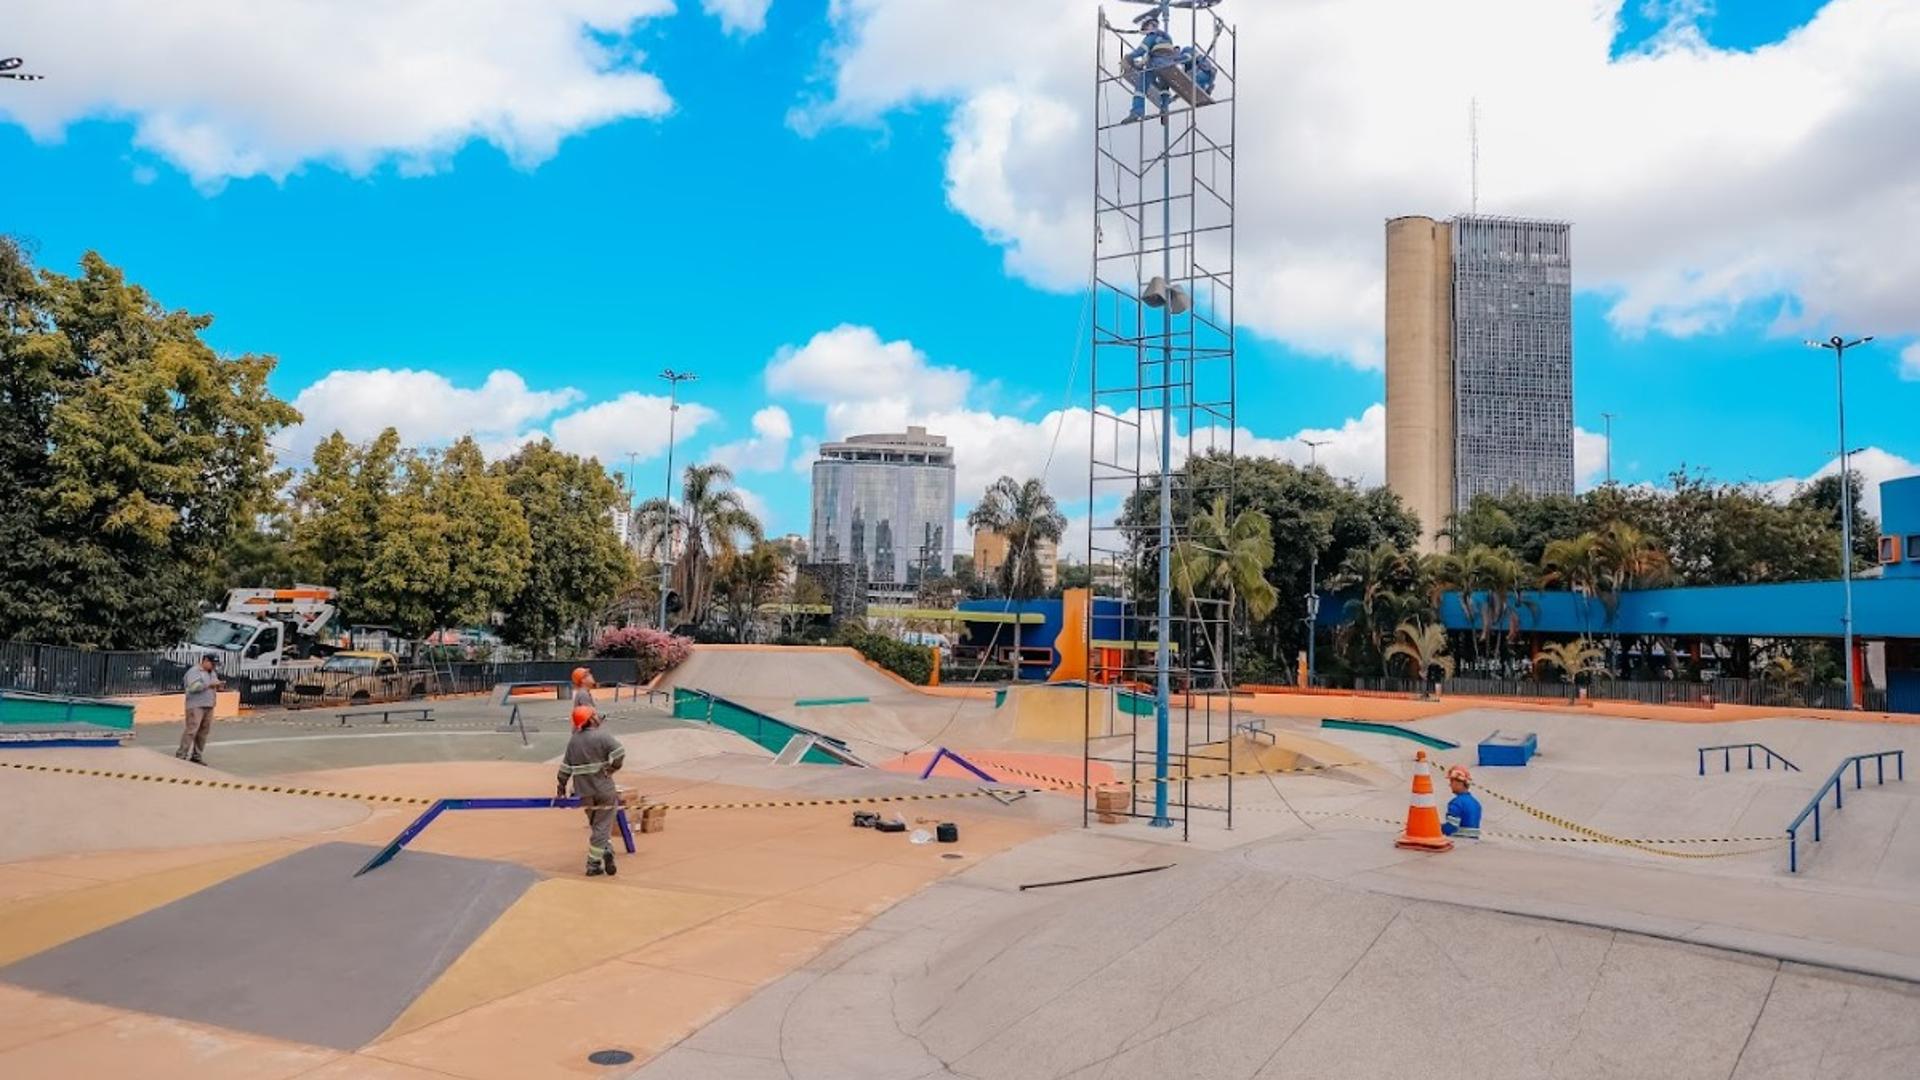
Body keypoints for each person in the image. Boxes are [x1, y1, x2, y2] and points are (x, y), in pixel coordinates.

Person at [557, 704, 625, 876]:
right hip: (604, 790)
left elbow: (565, 769)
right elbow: (619, 752)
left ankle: (607, 849)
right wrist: (613, 768)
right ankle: (593, 863)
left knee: (597, 824)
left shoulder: (574, 741)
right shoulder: (602, 736)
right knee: (602, 825)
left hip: (584, 792)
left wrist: (561, 789)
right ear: (591, 719)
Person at [178, 654, 226, 764]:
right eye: (212, 664)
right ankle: (181, 754)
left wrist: (219, 685)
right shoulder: (194, 672)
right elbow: (193, 687)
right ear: (205, 660)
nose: (214, 666)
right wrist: (209, 684)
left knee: (203, 732)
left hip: (209, 704)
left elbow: (213, 684)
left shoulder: (212, 672)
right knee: (192, 730)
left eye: (215, 664)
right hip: (196, 705)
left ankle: (197, 755)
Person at [1442, 765, 1482, 839]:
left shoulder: (1456, 803)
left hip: (1460, 840)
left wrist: (1437, 828)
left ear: (1459, 783)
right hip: (1474, 840)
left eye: (1451, 781)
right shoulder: (1476, 803)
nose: (1450, 785)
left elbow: (1451, 827)